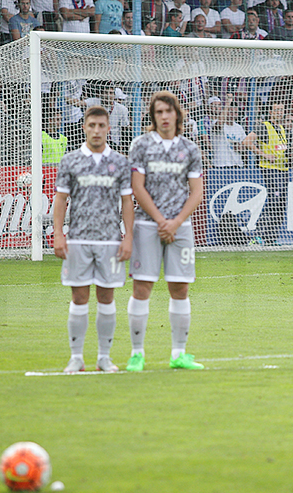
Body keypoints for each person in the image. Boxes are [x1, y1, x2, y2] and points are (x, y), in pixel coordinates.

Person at [126, 91, 204, 372]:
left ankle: (179, 354)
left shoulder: (190, 149)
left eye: (168, 111)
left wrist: (176, 222)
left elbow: (196, 192)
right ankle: (137, 354)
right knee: (141, 287)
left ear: (177, 115)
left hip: (180, 227)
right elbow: (137, 187)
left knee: (180, 289)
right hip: (148, 225)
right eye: (158, 112)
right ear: (153, 116)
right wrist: (161, 220)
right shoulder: (141, 145)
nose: (164, 117)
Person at [54, 105, 133, 374]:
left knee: (107, 297)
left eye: (101, 126)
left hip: (110, 240)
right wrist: (58, 234)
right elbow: (61, 200)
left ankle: (104, 357)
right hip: (78, 240)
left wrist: (128, 237)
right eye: (92, 126)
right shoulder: (71, 161)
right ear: (85, 127)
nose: (97, 131)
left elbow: (127, 202)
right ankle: (76, 357)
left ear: (108, 128)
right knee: (78, 297)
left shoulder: (120, 162)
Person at [242, 101, 288, 246]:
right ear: (271, 112)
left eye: (281, 110)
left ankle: (271, 238)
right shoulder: (264, 126)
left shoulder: (281, 128)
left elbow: (279, 148)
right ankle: (258, 236)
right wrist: (264, 155)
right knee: (273, 202)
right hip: (270, 168)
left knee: (281, 204)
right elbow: (247, 142)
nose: (279, 112)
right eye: (276, 110)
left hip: (283, 169)